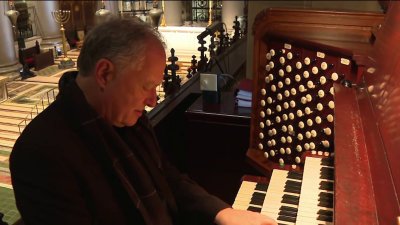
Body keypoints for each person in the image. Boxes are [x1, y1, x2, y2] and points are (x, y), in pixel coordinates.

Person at [10, 18, 277, 225]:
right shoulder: (41, 152)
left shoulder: (126, 115)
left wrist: (222, 212)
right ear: (105, 74)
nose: (152, 101)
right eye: (147, 86)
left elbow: (166, 176)